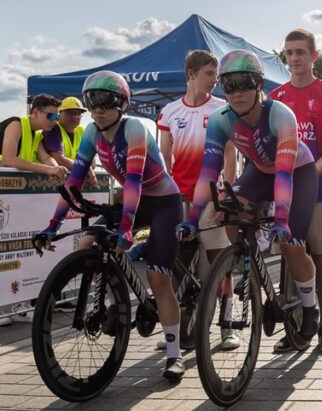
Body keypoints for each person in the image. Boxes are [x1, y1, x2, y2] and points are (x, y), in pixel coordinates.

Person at [36, 72, 188, 382]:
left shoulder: (133, 129)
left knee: (159, 278)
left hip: (163, 203)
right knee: (85, 245)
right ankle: (107, 302)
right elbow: (73, 182)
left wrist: (128, 229)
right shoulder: (92, 132)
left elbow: (133, 181)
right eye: (92, 102)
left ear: (121, 104)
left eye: (105, 102)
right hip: (134, 202)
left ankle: (174, 354)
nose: (97, 109)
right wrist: (51, 226)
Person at [177, 50, 322, 352]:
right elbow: (208, 172)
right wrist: (192, 218)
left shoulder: (280, 114)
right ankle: (251, 270)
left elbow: (283, 175)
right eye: (229, 85)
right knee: (229, 211)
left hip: (297, 172)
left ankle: (311, 307)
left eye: (244, 84)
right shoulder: (220, 119)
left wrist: (281, 220)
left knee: (292, 243)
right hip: (261, 170)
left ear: (258, 85)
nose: (237, 92)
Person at [268, 29, 322, 354]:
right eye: (289, 53)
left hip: (321, 189)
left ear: (314, 56)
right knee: (289, 252)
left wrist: (308, 174)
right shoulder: (275, 98)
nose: (294, 58)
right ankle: (295, 326)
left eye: (300, 52)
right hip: (286, 190)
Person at [157, 49, 237, 350]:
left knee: (219, 261)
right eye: (208, 74)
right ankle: (175, 330)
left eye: (216, 75)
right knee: (175, 265)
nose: (214, 80)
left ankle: (228, 325)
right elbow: (164, 157)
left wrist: (225, 190)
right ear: (191, 75)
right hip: (178, 197)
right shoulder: (169, 112)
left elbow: (230, 154)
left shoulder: (222, 109)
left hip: (210, 198)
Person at [0, 94, 64, 176]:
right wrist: (48, 169)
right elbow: (9, 160)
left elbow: (46, 158)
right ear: (36, 112)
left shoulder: (37, 134)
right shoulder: (16, 125)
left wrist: (57, 168)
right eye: (51, 116)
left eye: (57, 117)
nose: (54, 121)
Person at [42, 97, 94, 180]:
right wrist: (83, 168)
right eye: (71, 113)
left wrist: (85, 168)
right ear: (59, 114)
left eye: (79, 113)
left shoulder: (82, 131)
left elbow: (92, 161)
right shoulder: (53, 129)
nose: (76, 117)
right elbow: (58, 158)